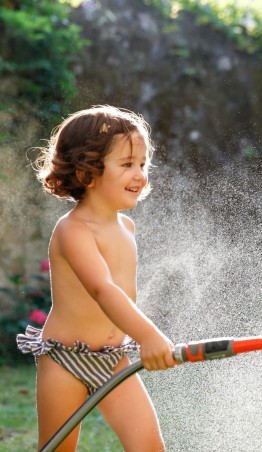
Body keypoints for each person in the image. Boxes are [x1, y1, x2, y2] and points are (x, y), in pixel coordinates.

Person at [16, 105, 175, 451]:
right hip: (65, 361)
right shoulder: (73, 230)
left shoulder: (126, 227)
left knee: (149, 446)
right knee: (58, 448)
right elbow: (103, 289)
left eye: (143, 164)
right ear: (88, 172)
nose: (140, 175)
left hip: (113, 359)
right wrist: (148, 335)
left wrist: (138, 338)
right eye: (127, 164)